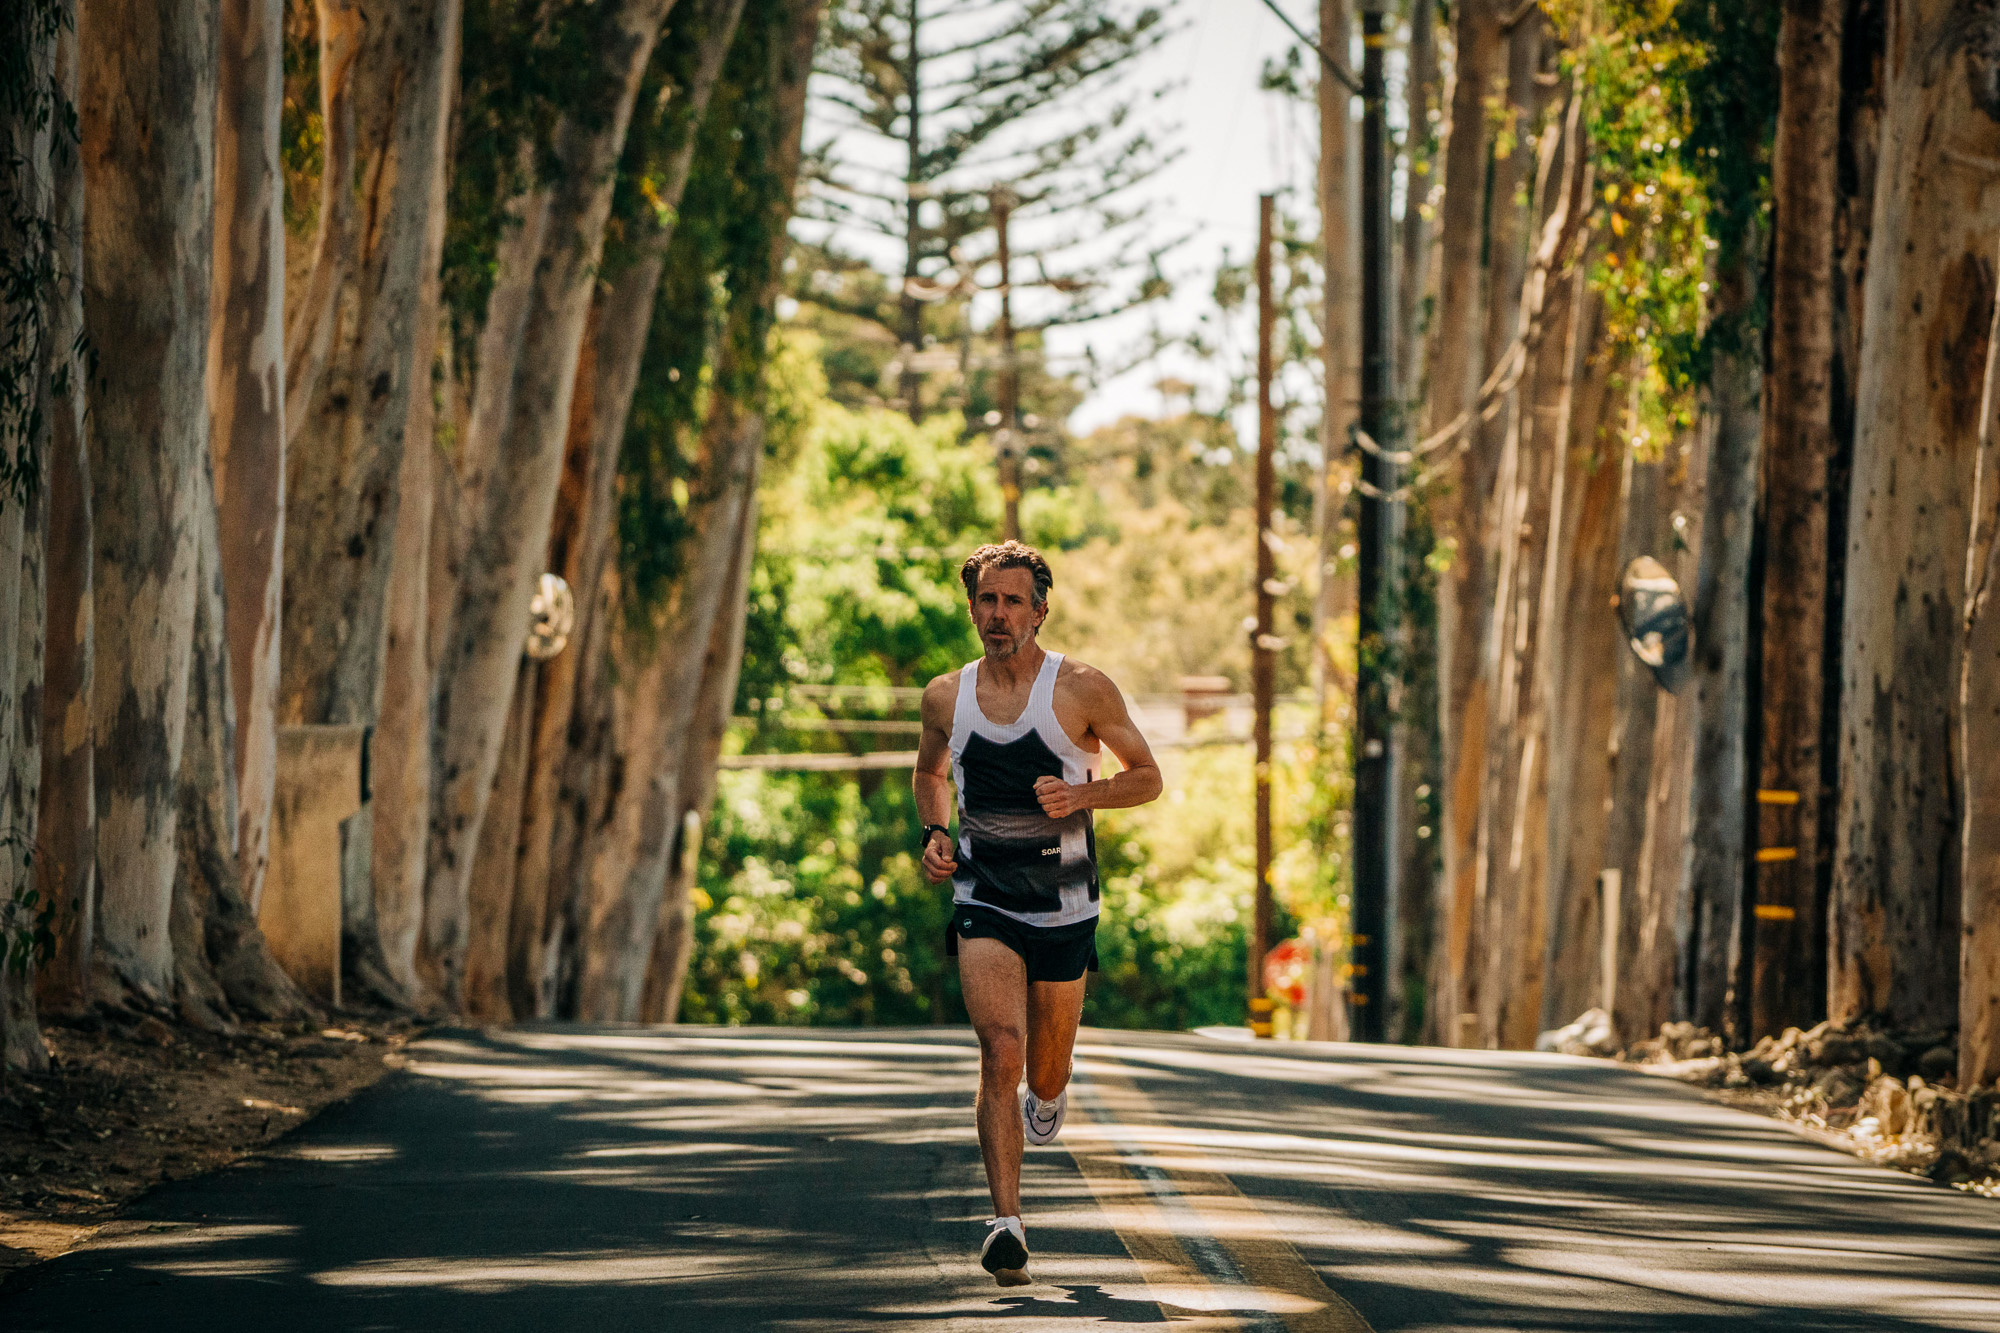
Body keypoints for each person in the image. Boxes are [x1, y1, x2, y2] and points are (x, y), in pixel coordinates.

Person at [914, 541, 1163, 1286]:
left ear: (1039, 610)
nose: (998, 614)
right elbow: (930, 771)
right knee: (1001, 1049)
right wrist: (933, 832)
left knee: (1044, 1075)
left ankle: (1051, 1094)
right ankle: (1007, 1222)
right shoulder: (944, 696)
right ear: (972, 608)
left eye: (1012, 601)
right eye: (986, 601)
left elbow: (1147, 776)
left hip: (1064, 905)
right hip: (983, 895)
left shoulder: (1082, 689)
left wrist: (1083, 794)